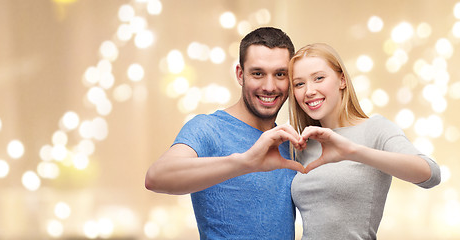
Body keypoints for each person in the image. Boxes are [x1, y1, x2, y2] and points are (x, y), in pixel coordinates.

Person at [145, 27, 305, 239]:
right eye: (258, 73)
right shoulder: (208, 128)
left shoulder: (289, 142)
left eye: (280, 74)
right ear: (240, 74)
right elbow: (156, 177)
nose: (269, 86)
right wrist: (246, 162)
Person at [288, 43, 441, 239]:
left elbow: (431, 174)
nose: (309, 91)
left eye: (319, 78)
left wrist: (352, 151)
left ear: (342, 80)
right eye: (299, 84)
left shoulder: (375, 129)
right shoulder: (303, 143)